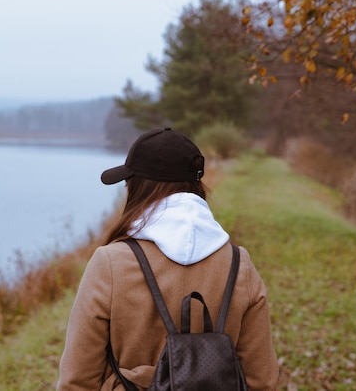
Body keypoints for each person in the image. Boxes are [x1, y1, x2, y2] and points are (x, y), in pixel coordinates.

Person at [56, 128, 279, 390]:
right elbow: (261, 380)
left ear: (138, 188)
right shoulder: (238, 265)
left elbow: (78, 380)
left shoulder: (110, 263)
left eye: (128, 185)